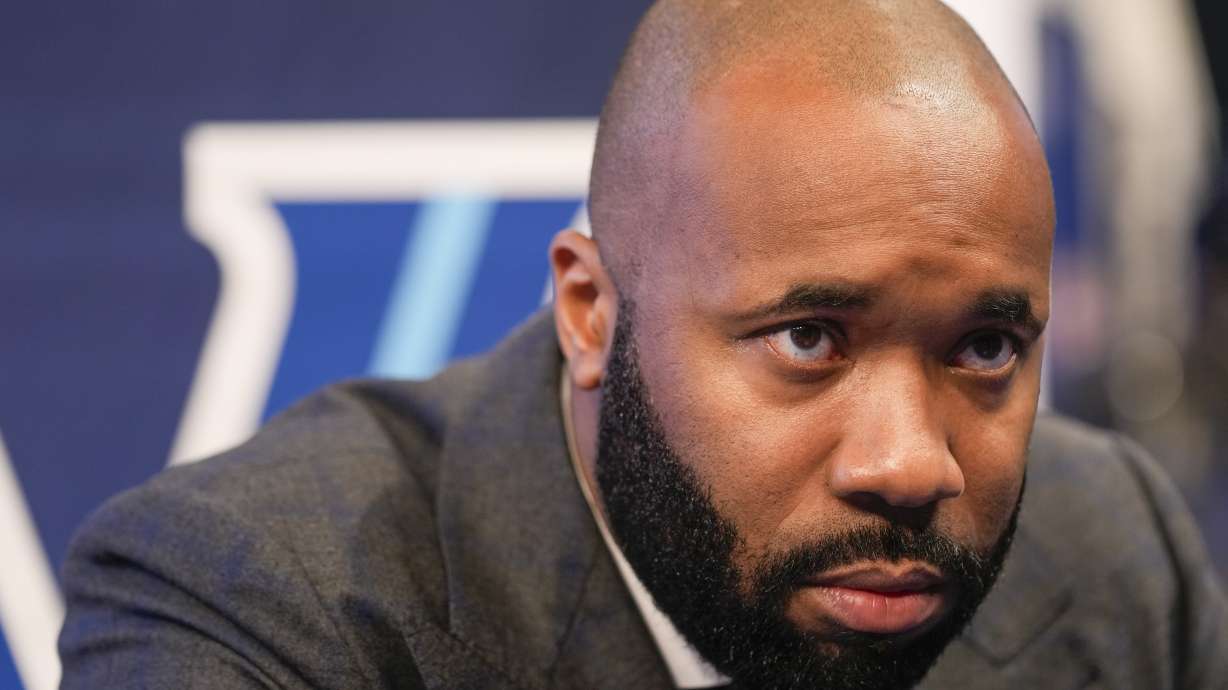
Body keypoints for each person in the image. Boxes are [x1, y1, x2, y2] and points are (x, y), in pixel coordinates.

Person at [58, 1, 1228, 688]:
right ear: (589, 313)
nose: (910, 464)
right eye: (809, 338)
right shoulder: (261, 606)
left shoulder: (1112, 552)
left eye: (983, 350)